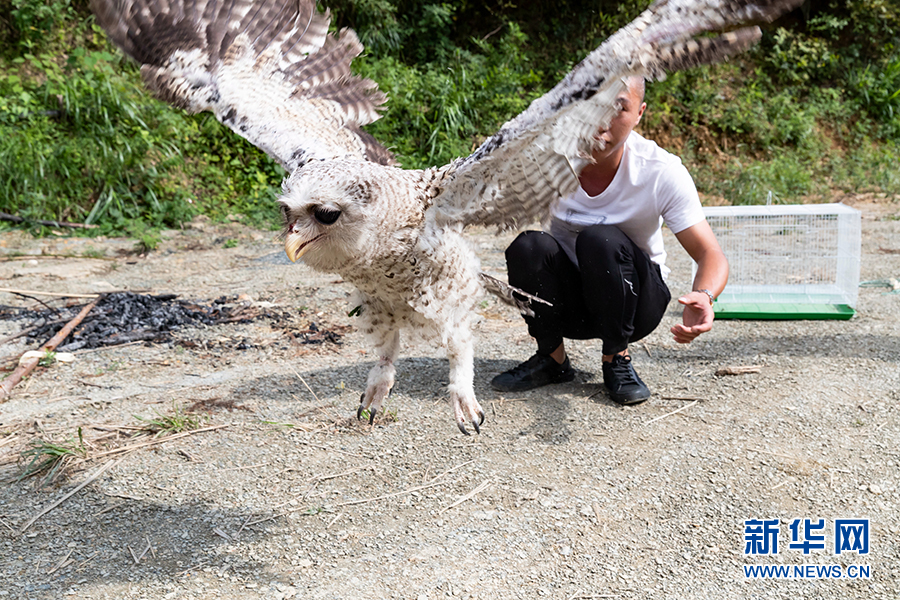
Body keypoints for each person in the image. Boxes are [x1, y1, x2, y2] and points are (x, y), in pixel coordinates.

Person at [490, 76, 729, 404]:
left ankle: (617, 359)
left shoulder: (660, 171)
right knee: (528, 246)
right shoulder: (547, 161)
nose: (601, 120)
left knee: (600, 240)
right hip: (572, 305)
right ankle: (551, 359)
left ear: (640, 113)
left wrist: (705, 295)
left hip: (635, 302)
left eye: (618, 108)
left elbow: (709, 252)